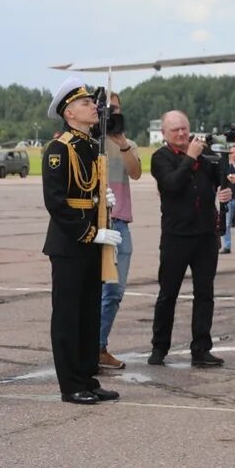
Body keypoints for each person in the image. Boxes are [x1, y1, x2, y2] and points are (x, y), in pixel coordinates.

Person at [41, 78, 122, 405]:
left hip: (92, 240)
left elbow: (87, 191)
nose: (94, 107)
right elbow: (57, 202)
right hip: (71, 242)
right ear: (70, 113)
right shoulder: (59, 148)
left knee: (88, 314)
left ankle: (87, 376)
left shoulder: (89, 145)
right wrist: (91, 232)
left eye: (92, 102)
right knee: (68, 316)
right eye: (87, 103)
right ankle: (70, 384)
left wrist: (104, 200)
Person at [149, 111, 233, 367]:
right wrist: (190, 157)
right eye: (175, 130)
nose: (182, 134)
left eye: (184, 128)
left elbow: (220, 177)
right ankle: (159, 348)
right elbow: (172, 184)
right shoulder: (160, 158)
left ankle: (201, 348)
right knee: (168, 294)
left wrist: (224, 187)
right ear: (164, 133)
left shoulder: (203, 155)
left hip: (205, 236)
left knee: (205, 294)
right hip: (177, 236)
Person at [98, 91, 142, 370]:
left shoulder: (127, 143)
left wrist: (122, 142)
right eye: (106, 108)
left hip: (120, 222)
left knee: (115, 291)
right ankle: (86, 346)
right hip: (94, 222)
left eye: (116, 109)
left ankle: (99, 346)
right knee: (93, 291)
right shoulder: (89, 143)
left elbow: (136, 172)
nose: (111, 114)